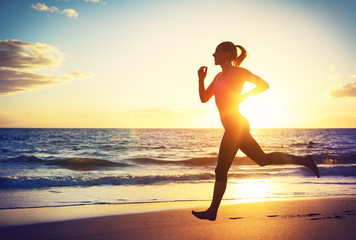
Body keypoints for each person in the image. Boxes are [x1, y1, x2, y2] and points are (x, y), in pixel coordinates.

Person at [192, 41, 319, 221]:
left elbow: (264, 85)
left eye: (216, 51)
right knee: (263, 160)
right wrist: (201, 79)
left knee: (221, 170)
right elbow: (204, 98)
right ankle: (304, 160)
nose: (213, 55)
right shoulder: (218, 77)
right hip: (233, 127)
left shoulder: (239, 73)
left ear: (226, 54)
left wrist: (242, 97)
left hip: (236, 126)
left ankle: (213, 211)